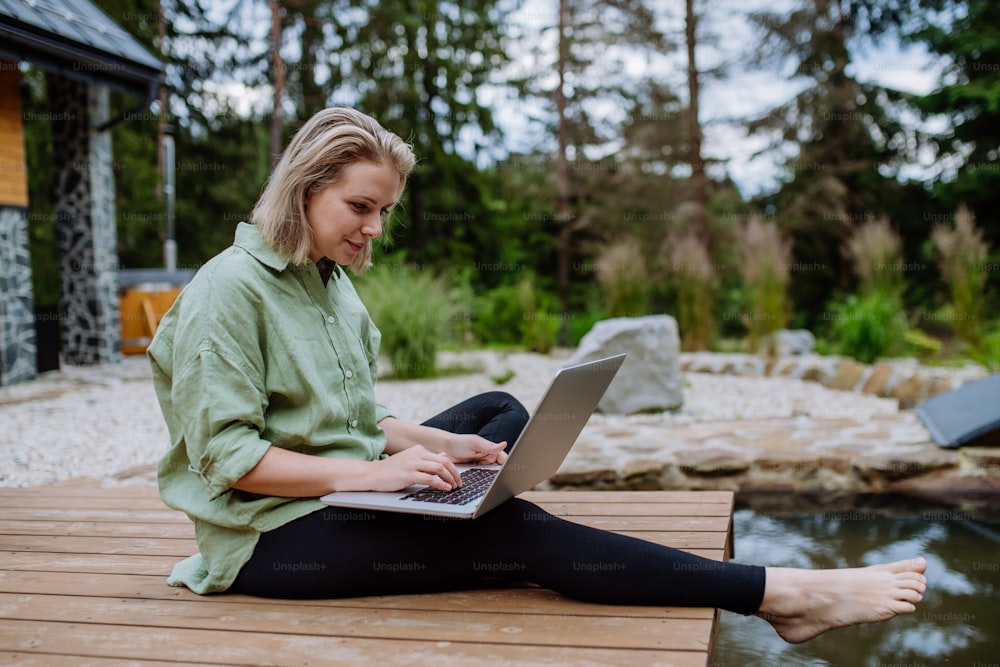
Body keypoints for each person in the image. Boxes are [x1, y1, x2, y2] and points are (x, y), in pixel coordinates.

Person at [148, 106, 927, 645]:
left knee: (496, 412)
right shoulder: (230, 290)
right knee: (517, 532)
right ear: (305, 188)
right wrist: (379, 477)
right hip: (267, 540)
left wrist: (436, 448)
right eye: (361, 206)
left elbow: (350, 414)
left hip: (337, 485)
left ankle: (465, 510)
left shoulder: (330, 283)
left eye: (385, 210)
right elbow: (232, 462)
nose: (375, 228)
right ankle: (784, 596)